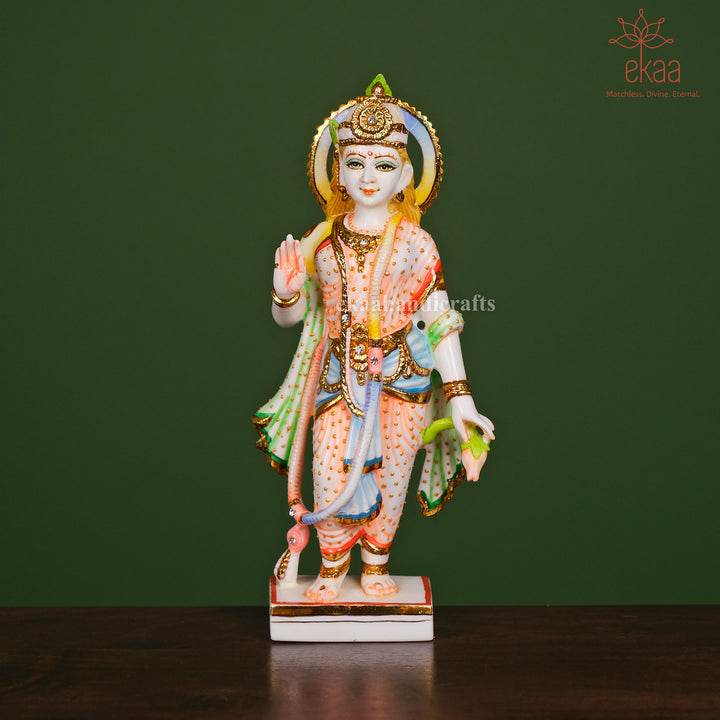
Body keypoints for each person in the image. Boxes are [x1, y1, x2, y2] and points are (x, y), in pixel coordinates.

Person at [253, 75, 494, 602]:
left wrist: (461, 397)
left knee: (392, 477)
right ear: (337, 171)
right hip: (338, 376)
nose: (368, 177)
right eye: (356, 162)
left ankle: (376, 565)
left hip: (401, 377)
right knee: (328, 470)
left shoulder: (416, 242)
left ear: (406, 175)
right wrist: (284, 293)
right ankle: (331, 570)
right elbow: (292, 318)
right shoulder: (322, 241)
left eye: (384, 165)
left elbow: (440, 318)